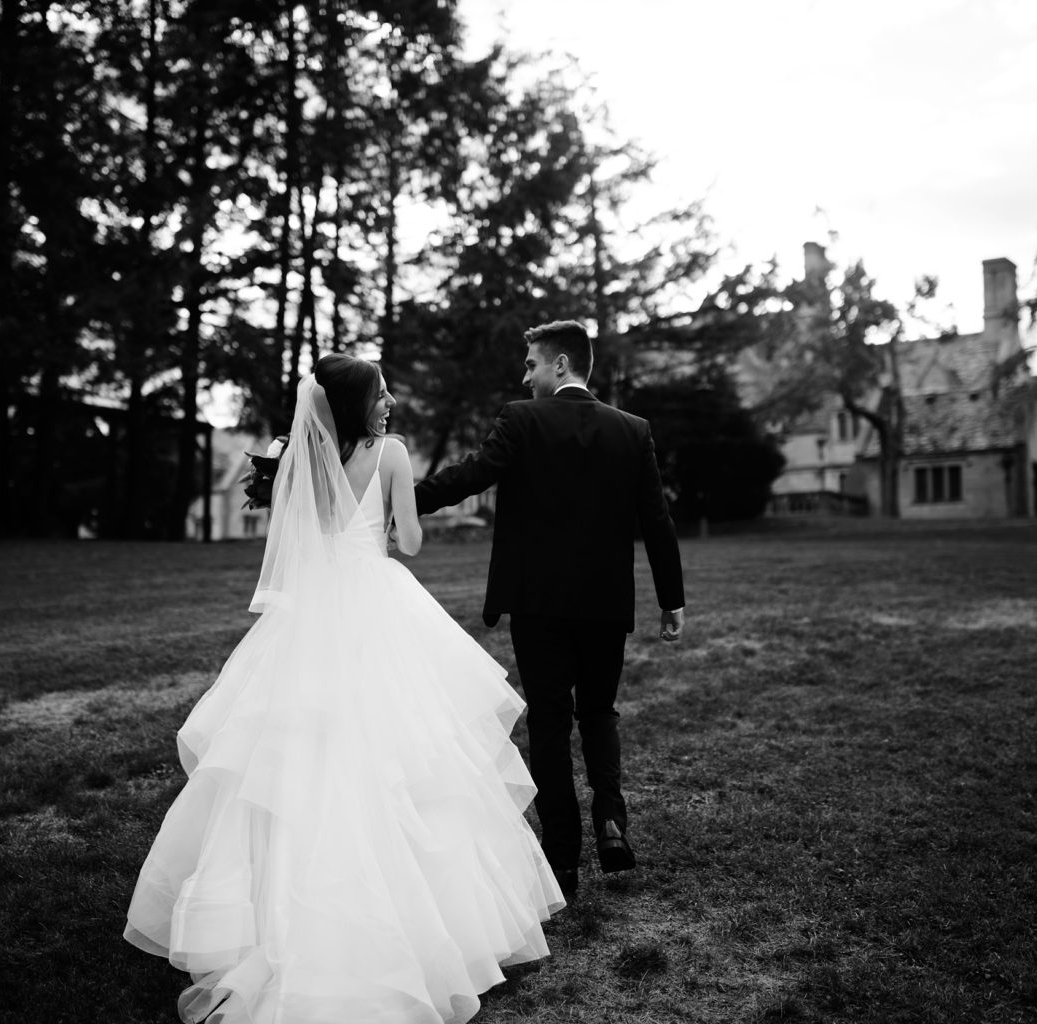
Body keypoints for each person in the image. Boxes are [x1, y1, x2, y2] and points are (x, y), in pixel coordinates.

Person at [124, 354, 562, 1024]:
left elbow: (302, 538)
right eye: (383, 394)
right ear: (359, 403)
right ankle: (429, 925)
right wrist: (392, 518)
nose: (390, 403)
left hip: (314, 614)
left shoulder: (302, 457)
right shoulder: (390, 454)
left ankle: (282, 917)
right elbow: (409, 542)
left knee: (302, 757)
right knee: (408, 750)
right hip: (377, 603)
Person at [415, 320, 685, 900]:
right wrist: (672, 600)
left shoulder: (521, 419)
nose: (525, 376)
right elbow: (656, 522)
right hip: (604, 603)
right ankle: (611, 820)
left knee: (549, 723)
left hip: (537, 603)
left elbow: (470, 476)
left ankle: (562, 859)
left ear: (561, 365)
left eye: (532, 364)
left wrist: (401, 500)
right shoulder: (632, 431)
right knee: (600, 712)